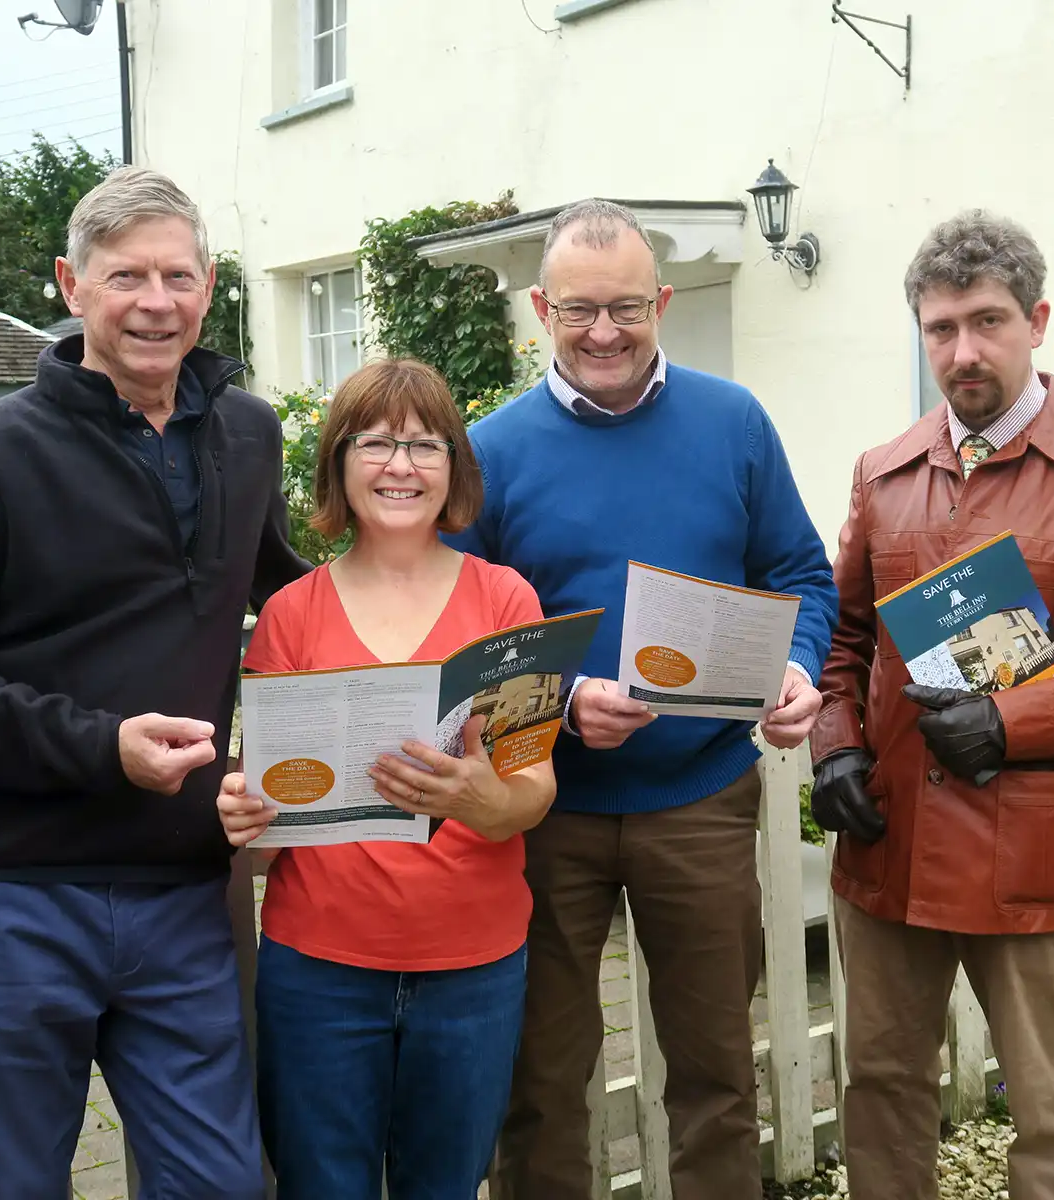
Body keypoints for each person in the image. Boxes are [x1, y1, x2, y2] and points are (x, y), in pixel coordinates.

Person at [0, 165, 309, 1198]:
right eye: (126, 277)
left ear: (208, 288)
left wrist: (469, 622)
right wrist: (99, 746)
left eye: (180, 276)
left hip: (180, 893)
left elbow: (293, 604)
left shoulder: (247, 435)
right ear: (72, 285)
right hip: (8, 895)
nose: (157, 302)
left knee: (220, 1184)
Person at [444, 198, 840, 1200]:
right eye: (579, 310)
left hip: (701, 800)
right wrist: (564, 700)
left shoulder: (733, 422)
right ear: (541, 307)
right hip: (544, 810)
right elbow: (458, 640)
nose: (605, 331)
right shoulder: (491, 451)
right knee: (538, 1078)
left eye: (627, 307)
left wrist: (796, 666)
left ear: (662, 301)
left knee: (714, 1071)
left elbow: (801, 573)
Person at [809, 209, 1054, 1200]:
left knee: (1052, 1105)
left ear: (1038, 320)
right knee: (885, 1086)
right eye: (941, 329)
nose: (964, 351)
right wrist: (835, 747)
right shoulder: (882, 475)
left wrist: (1014, 721)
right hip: (889, 841)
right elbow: (846, 639)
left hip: (1031, 844)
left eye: (987, 322)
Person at [215, 357, 556, 1200]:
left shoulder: (508, 601)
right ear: (338, 463)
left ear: (454, 468)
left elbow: (534, 789)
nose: (400, 466)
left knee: (445, 1188)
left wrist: (487, 800)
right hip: (319, 969)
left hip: (474, 966)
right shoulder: (291, 614)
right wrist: (242, 815)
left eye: (424, 445)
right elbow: (269, 826)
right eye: (375, 443)